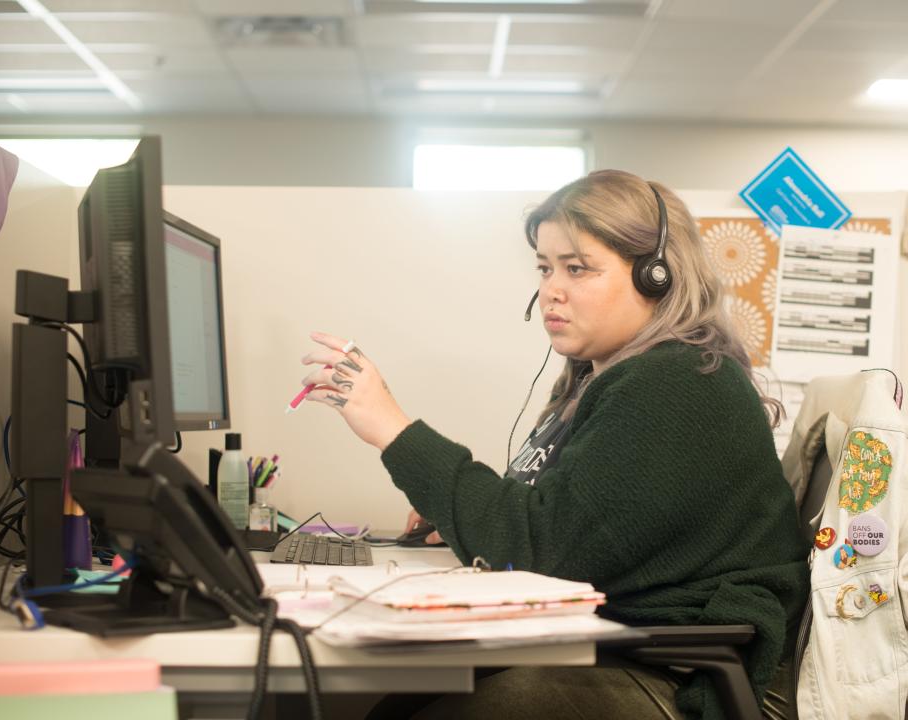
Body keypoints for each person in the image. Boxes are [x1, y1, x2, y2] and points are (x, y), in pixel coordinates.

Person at [298, 169, 810, 719]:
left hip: (685, 676)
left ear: (656, 275)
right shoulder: (604, 378)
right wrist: (455, 516)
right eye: (544, 268)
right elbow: (551, 522)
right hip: (640, 647)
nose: (551, 290)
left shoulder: (677, 382)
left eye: (577, 268)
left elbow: (539, 550)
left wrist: (391, 428)